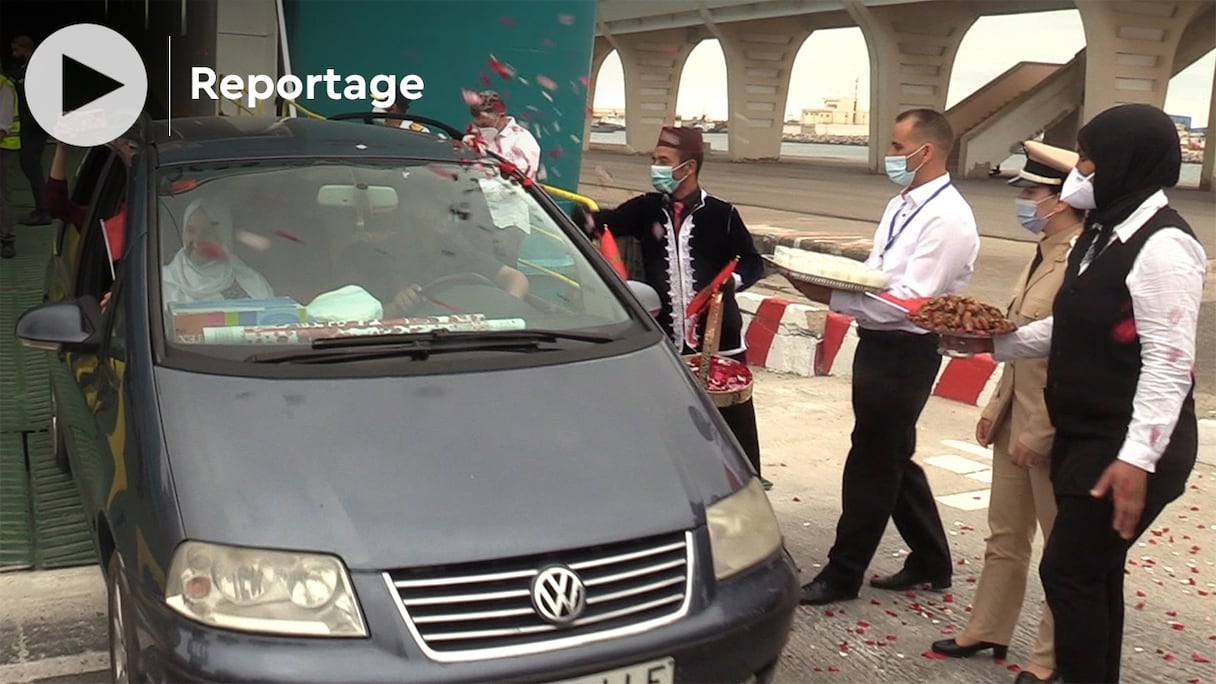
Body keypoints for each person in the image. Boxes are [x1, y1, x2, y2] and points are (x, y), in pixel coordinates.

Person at [941, 103, 1206, 684]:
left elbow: (1169, 363)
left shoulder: (1164, 247)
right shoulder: (1106, 234)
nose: (1079, 173)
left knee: (1069, 573)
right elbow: (1071, 325)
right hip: (1087, 435)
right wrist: (988, 345)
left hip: (1128, 444)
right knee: (1096, 575)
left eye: (1088, 160)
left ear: (1124, 164)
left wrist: (1136, 459)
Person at [795, 108, 979, 606]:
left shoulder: (948, 218)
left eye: (898, 147)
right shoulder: (902, 203)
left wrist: (828, 295)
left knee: (872, 462)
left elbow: (912, 301)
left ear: (927, 151)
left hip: (905, 349)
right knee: (889, 451)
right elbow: (878, 274)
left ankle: (842, 574)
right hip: (876, 341)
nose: (891, 155)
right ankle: (931, 558)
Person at [929, 141, 1084, 684]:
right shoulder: (1044, 251)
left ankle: (1050, 660)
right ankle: (988, 629)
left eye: (1032, 192)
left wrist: (1038, 432)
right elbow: (1015, 339)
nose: (1024, 200)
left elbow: (1059, 351)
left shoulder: (1080, 258)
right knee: (1004, 534)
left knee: (1060, 549)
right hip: (1015, 411)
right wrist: (997, 406)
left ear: (1062, 200)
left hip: (1049, 422)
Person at [571, 125, 768, 485]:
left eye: (663, 161)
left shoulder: (722, 214)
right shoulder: (646, 209)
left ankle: (747, 494)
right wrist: (578, 213)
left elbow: (754, 261)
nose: (656, 167)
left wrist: (733, 281)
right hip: (668, 347)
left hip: (719, 344)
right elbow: (602, 223)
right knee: (675, 431)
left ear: (688, 168)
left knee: (733, 436)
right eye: (655, 160)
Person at [162, 198, 275, 305]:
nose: (197, 240)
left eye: (207, 232)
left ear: (224, 237)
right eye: (191, 231)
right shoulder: (161, 284)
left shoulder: (249, 283)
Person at [10, 35, 49, 226]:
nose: (13, 54)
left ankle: (44, 211)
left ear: (25, 49)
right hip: (31, 125)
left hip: (33, 126)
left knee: (32, 167)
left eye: (16, 50)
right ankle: (41, 208)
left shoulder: (35, 69)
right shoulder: (25, 69)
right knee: (30, 167)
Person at [0, 69, 17, 258]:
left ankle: (7, 239)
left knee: (2, 197)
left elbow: (3, 126)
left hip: (2, 149)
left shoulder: (4, 87)